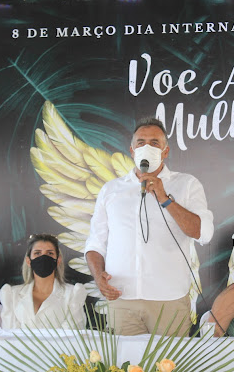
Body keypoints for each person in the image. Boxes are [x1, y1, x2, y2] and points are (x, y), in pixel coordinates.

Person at [85, 117, 214, 336]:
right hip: (122, 298)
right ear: (132, 150)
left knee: (171, 359)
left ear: (165, 151)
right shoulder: (111, 190)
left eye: (154, 143)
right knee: (123, 359)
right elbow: (95, 244)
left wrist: (165, 199)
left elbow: (203, 233)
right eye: (141, 142)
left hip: (169, 299)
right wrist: (98, 276)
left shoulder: (187, 184)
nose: (147, 147)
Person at [0, 234, 87, 329]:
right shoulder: (12, 295)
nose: (43, 257)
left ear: (58, 260)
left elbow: (72, 332)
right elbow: (9, 333)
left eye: (50, 253)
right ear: (28, 261)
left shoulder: (72, 294)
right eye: (37, 253)